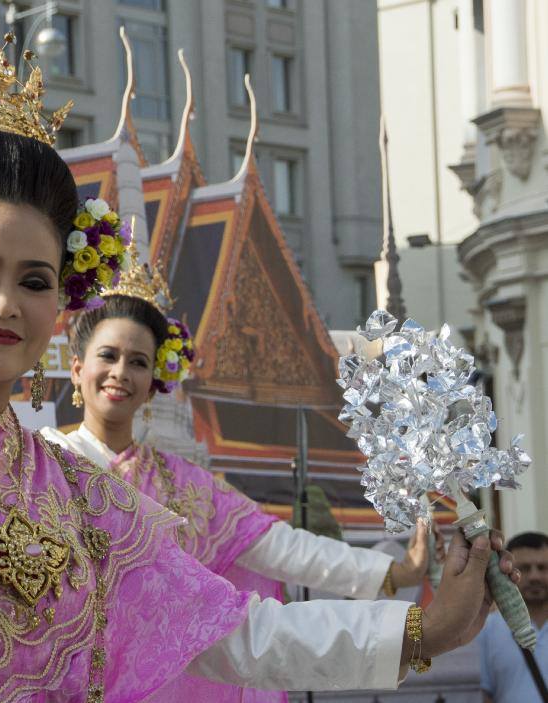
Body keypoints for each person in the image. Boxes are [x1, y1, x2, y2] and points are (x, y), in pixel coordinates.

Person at [0, 8, 515, 701]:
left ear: (60, 311)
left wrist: (424, 628)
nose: (6, 300)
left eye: (34, 280)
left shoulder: (90, 498)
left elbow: (238, 631)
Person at [40, 251, 446, 702]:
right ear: (78, 369)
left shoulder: (183, 484)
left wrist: (393, 570)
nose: (120, 372)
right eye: (108, 356)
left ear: (154, 378)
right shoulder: (41, 465)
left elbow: (281, 548)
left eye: (138, 362)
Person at [478, 531, 548, 703]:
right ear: (506, 571)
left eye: (542, 567)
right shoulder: (486, 629)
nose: (534, 576)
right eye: (524, 568)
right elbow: (484, 695)